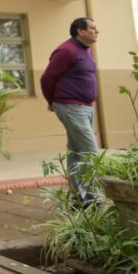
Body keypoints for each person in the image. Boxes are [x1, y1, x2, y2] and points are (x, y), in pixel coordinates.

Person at [40, 17, 101, 207]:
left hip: (84, 107)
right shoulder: (66, 50)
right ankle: (94, 199)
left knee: (76, 153)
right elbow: (47, 78)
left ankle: (78, 198)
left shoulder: (85, 50)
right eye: (92, 28)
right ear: (80, 31)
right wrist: (52, 101)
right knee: (91, 151)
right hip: (70, 106)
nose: (96, 31)